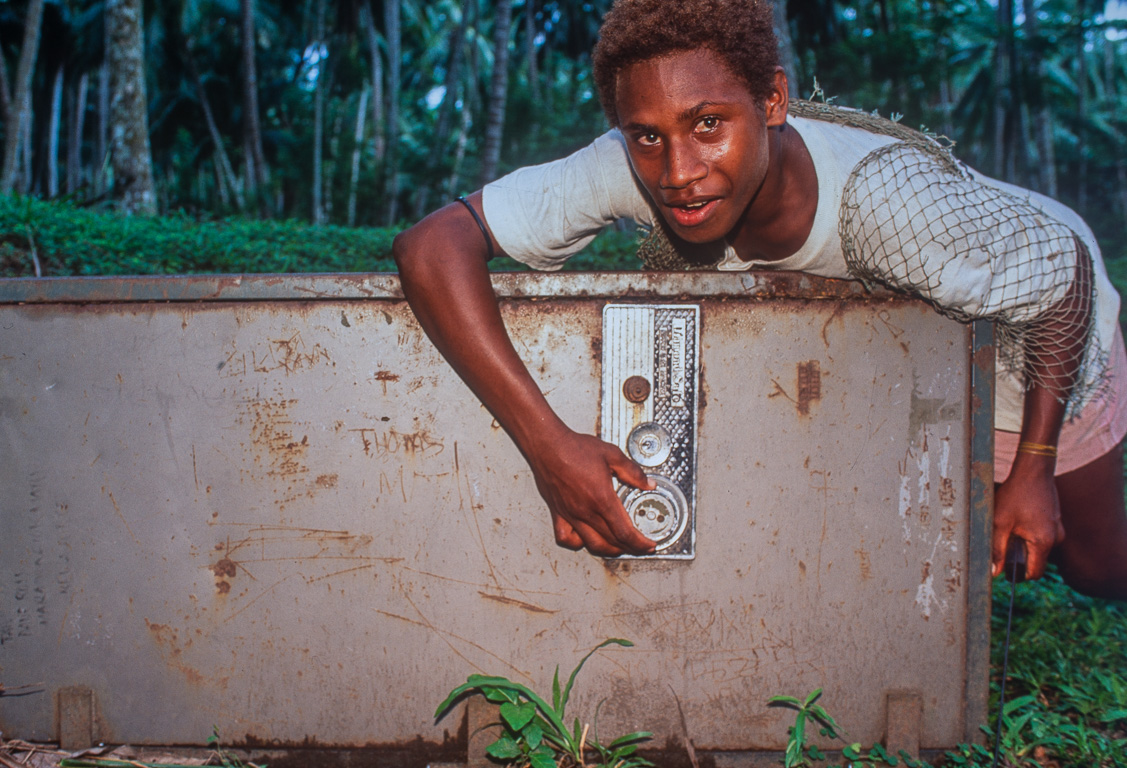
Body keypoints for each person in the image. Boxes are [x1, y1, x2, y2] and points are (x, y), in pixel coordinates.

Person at [393, 0, 1127, 600]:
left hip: (1036, 328)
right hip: (905, 328)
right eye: (646, 135)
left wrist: (1033, 464)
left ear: (771, 100)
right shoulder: (632, 163)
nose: (677, 171)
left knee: (1091, 568)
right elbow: (431, 246)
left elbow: (1060, 280)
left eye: (708, 123)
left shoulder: (887, 207)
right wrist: (548, 447)